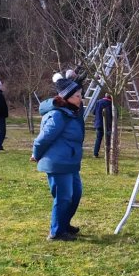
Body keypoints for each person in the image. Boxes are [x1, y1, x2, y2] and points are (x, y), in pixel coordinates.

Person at [31, 77, 86, 240]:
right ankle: (56, 232)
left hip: (70, 161)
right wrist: (36, 154)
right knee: (64, 197)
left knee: (76, 193)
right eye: (77, 96)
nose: (80, 99)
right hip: (58, 163)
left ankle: (64, 224)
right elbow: (43, 138)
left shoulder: (72, 112)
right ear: (67, 98)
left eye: (81, 95)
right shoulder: (58, 115)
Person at [93, 93, 113, 158]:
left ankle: (95, 153)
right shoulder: (111, 103)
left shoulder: (98, 102)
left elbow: (94, 112)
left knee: (98, 139)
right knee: (108, 140)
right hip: (108, 124)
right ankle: (107, 154)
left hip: (99, 123)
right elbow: (115, 114)